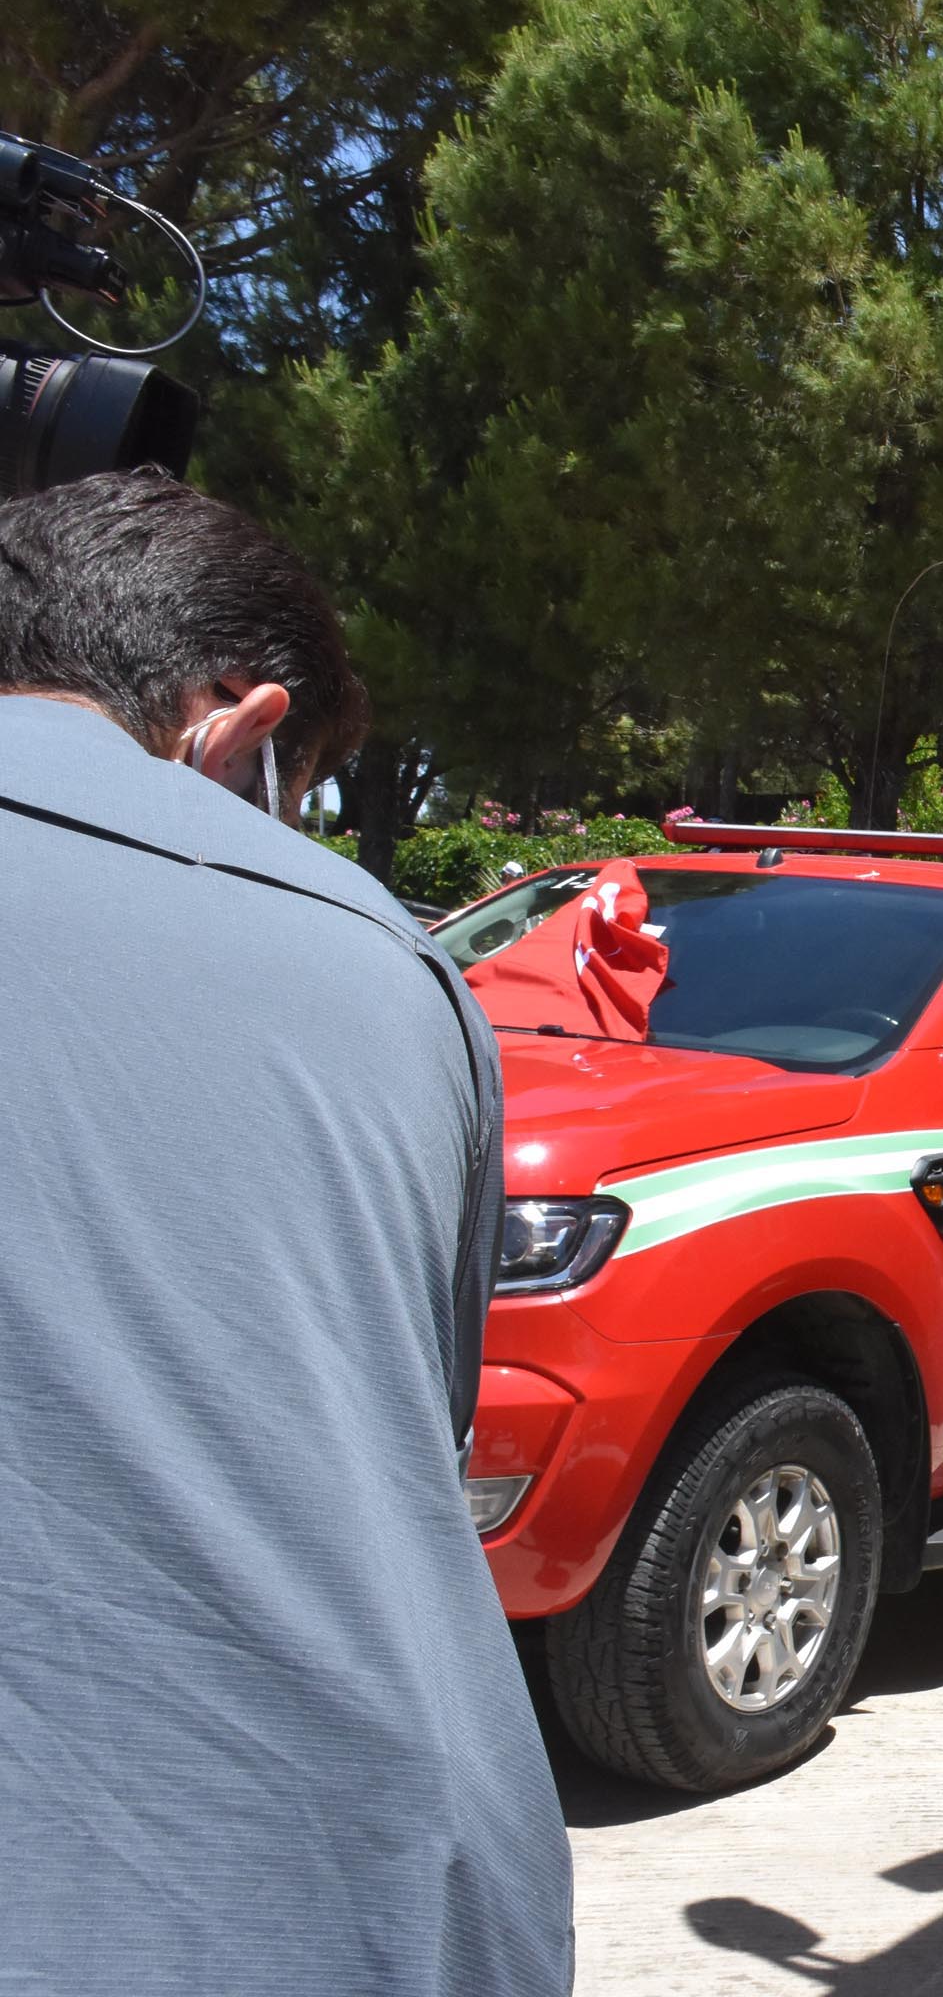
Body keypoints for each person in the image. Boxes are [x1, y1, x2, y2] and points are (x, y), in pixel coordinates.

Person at [0, 470, 573, 1992]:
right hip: (344, 1900)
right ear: (235, 729)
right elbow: (413, 1434)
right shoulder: (380, 963)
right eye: (299, 794)